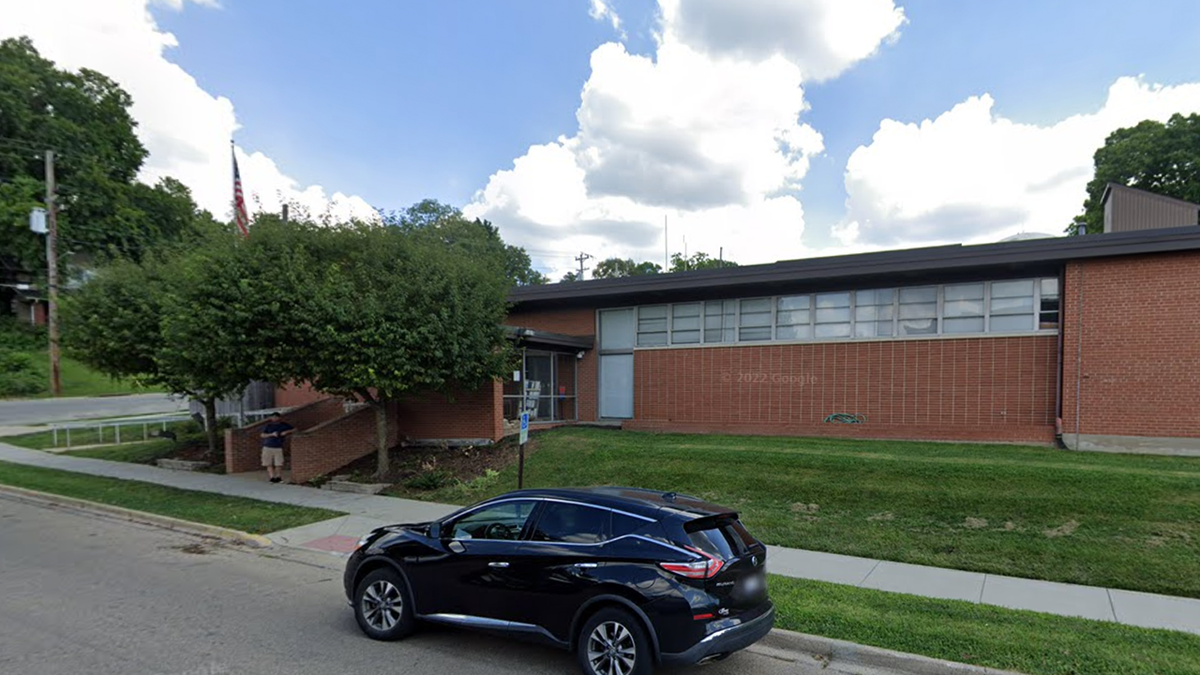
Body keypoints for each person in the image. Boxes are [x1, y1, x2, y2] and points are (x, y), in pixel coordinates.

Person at [259, 412, 295, 483]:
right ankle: (272, 477)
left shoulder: (284, 425)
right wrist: (271, 434)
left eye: (276, 417)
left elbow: (295, 429)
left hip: (278, 447)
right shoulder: (268, 426)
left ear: (279, 418)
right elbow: (262, 435)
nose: (274, 418)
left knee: (279, 463)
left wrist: (286, 432)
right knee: (268, 463)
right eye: (273, 417)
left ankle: (278, 477)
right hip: (267, 447)